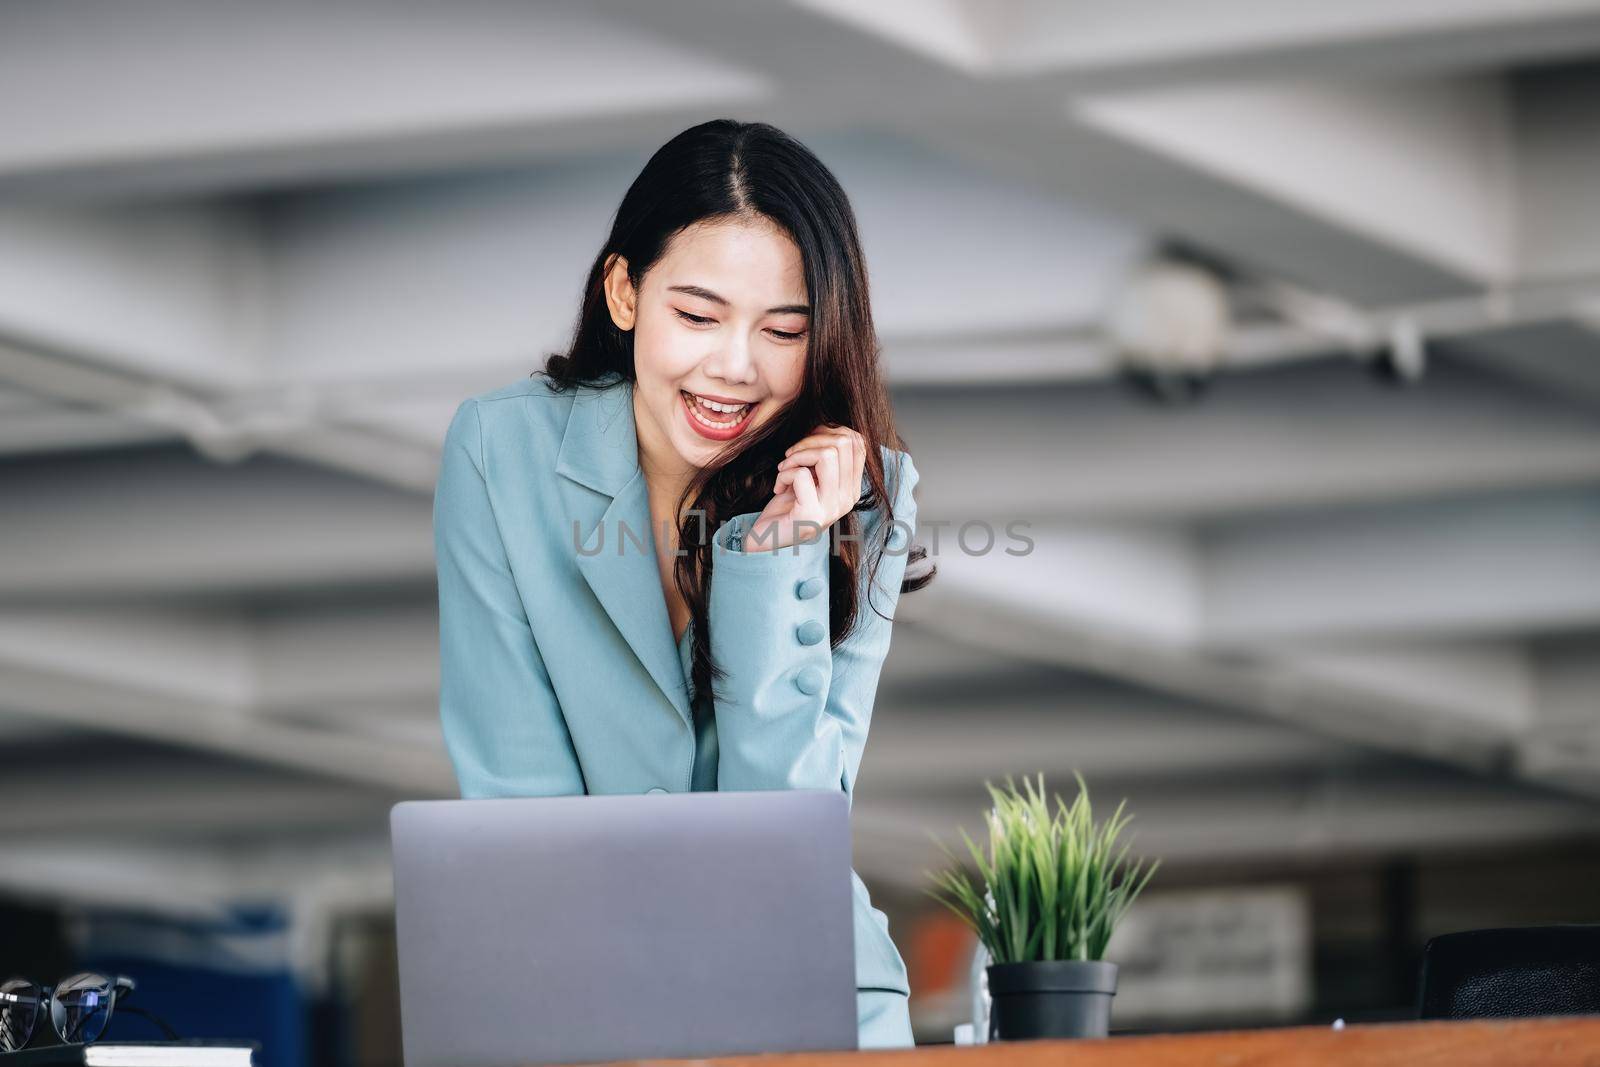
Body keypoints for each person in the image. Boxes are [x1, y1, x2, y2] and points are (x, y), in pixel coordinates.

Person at [432, 118, 936, 1048]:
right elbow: (516, 796)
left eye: (784, 330)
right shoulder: (501, 451)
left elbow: (789, 829)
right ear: (625, 293)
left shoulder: (866, 496)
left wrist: (780, 549)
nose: (734, 368)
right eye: (697, 317)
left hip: (812, 997)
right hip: (583, 989)